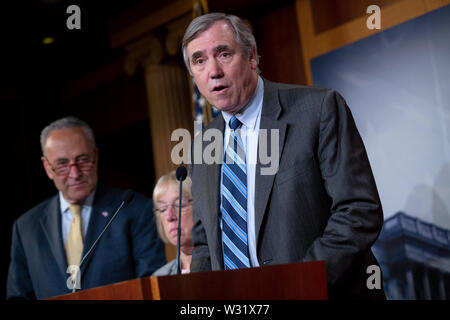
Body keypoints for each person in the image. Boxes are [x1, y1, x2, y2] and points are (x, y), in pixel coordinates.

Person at [183, 13, 385, 299]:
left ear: (251, 56)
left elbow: (358, 211)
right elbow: (204, 245)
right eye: (199, 61)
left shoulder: (318, 110)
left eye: (224, 54)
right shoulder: (202, 149)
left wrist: (299, 284)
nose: (213, 71)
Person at [7, 116, 165, 300]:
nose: (75, 174)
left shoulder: (134, 209)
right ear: (47, 168)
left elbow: (151, 286)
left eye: (82, 160)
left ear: (96, 157)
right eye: (62, 164)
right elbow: (18, 297)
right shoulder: (26, 228)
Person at [151, 171, 194, 276]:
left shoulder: (224, 265)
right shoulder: (159, 279)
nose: (170, 216)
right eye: (163, 209)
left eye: (179, 205)